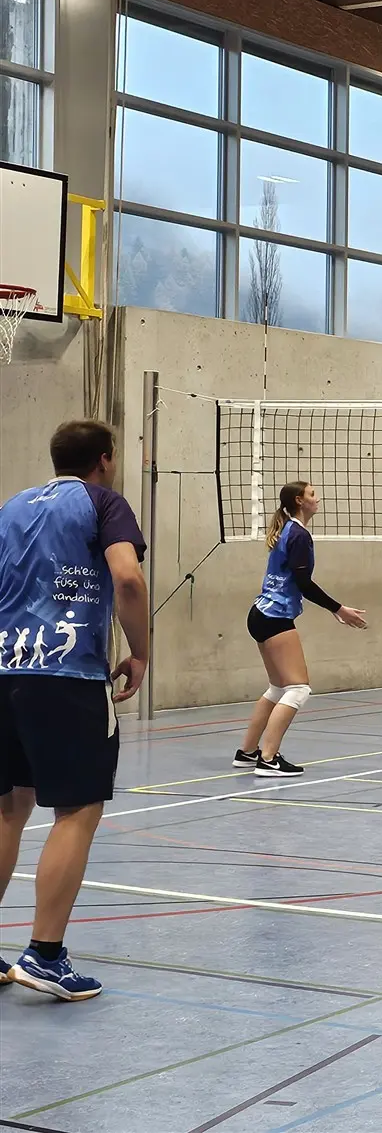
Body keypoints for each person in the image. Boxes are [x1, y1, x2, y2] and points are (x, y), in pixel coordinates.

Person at [0, 420, 148, 1000]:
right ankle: (45, 955)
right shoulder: (104, 501)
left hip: (4, 670)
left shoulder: (11, 506)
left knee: (10, 807)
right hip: (65, 674)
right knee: (78, 808)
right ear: (105, 459)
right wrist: (140, 651)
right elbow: (128, 579)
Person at [236, 481, 366, 777]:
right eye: (312, 494)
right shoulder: (298, 535)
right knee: (298, 689)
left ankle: (247, 752)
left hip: (261, 614)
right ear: (299, 501)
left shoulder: (290, 531)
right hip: (274, 616)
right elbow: (304, 584)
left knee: (278, 688)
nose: (317, 499)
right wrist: (338, 608)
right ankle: (268, 759)